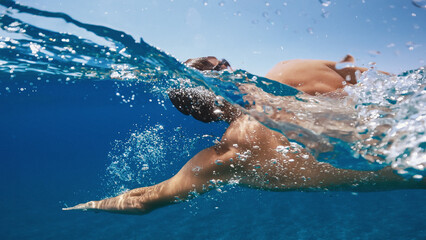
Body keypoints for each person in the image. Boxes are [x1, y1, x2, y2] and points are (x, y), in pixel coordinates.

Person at [63, 55, 423, 214]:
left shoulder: (226, 158)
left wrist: (90, 205)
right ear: (229, 69)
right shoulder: (290, 71)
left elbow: (144, 199)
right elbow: (389, 83)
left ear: (202, 115)